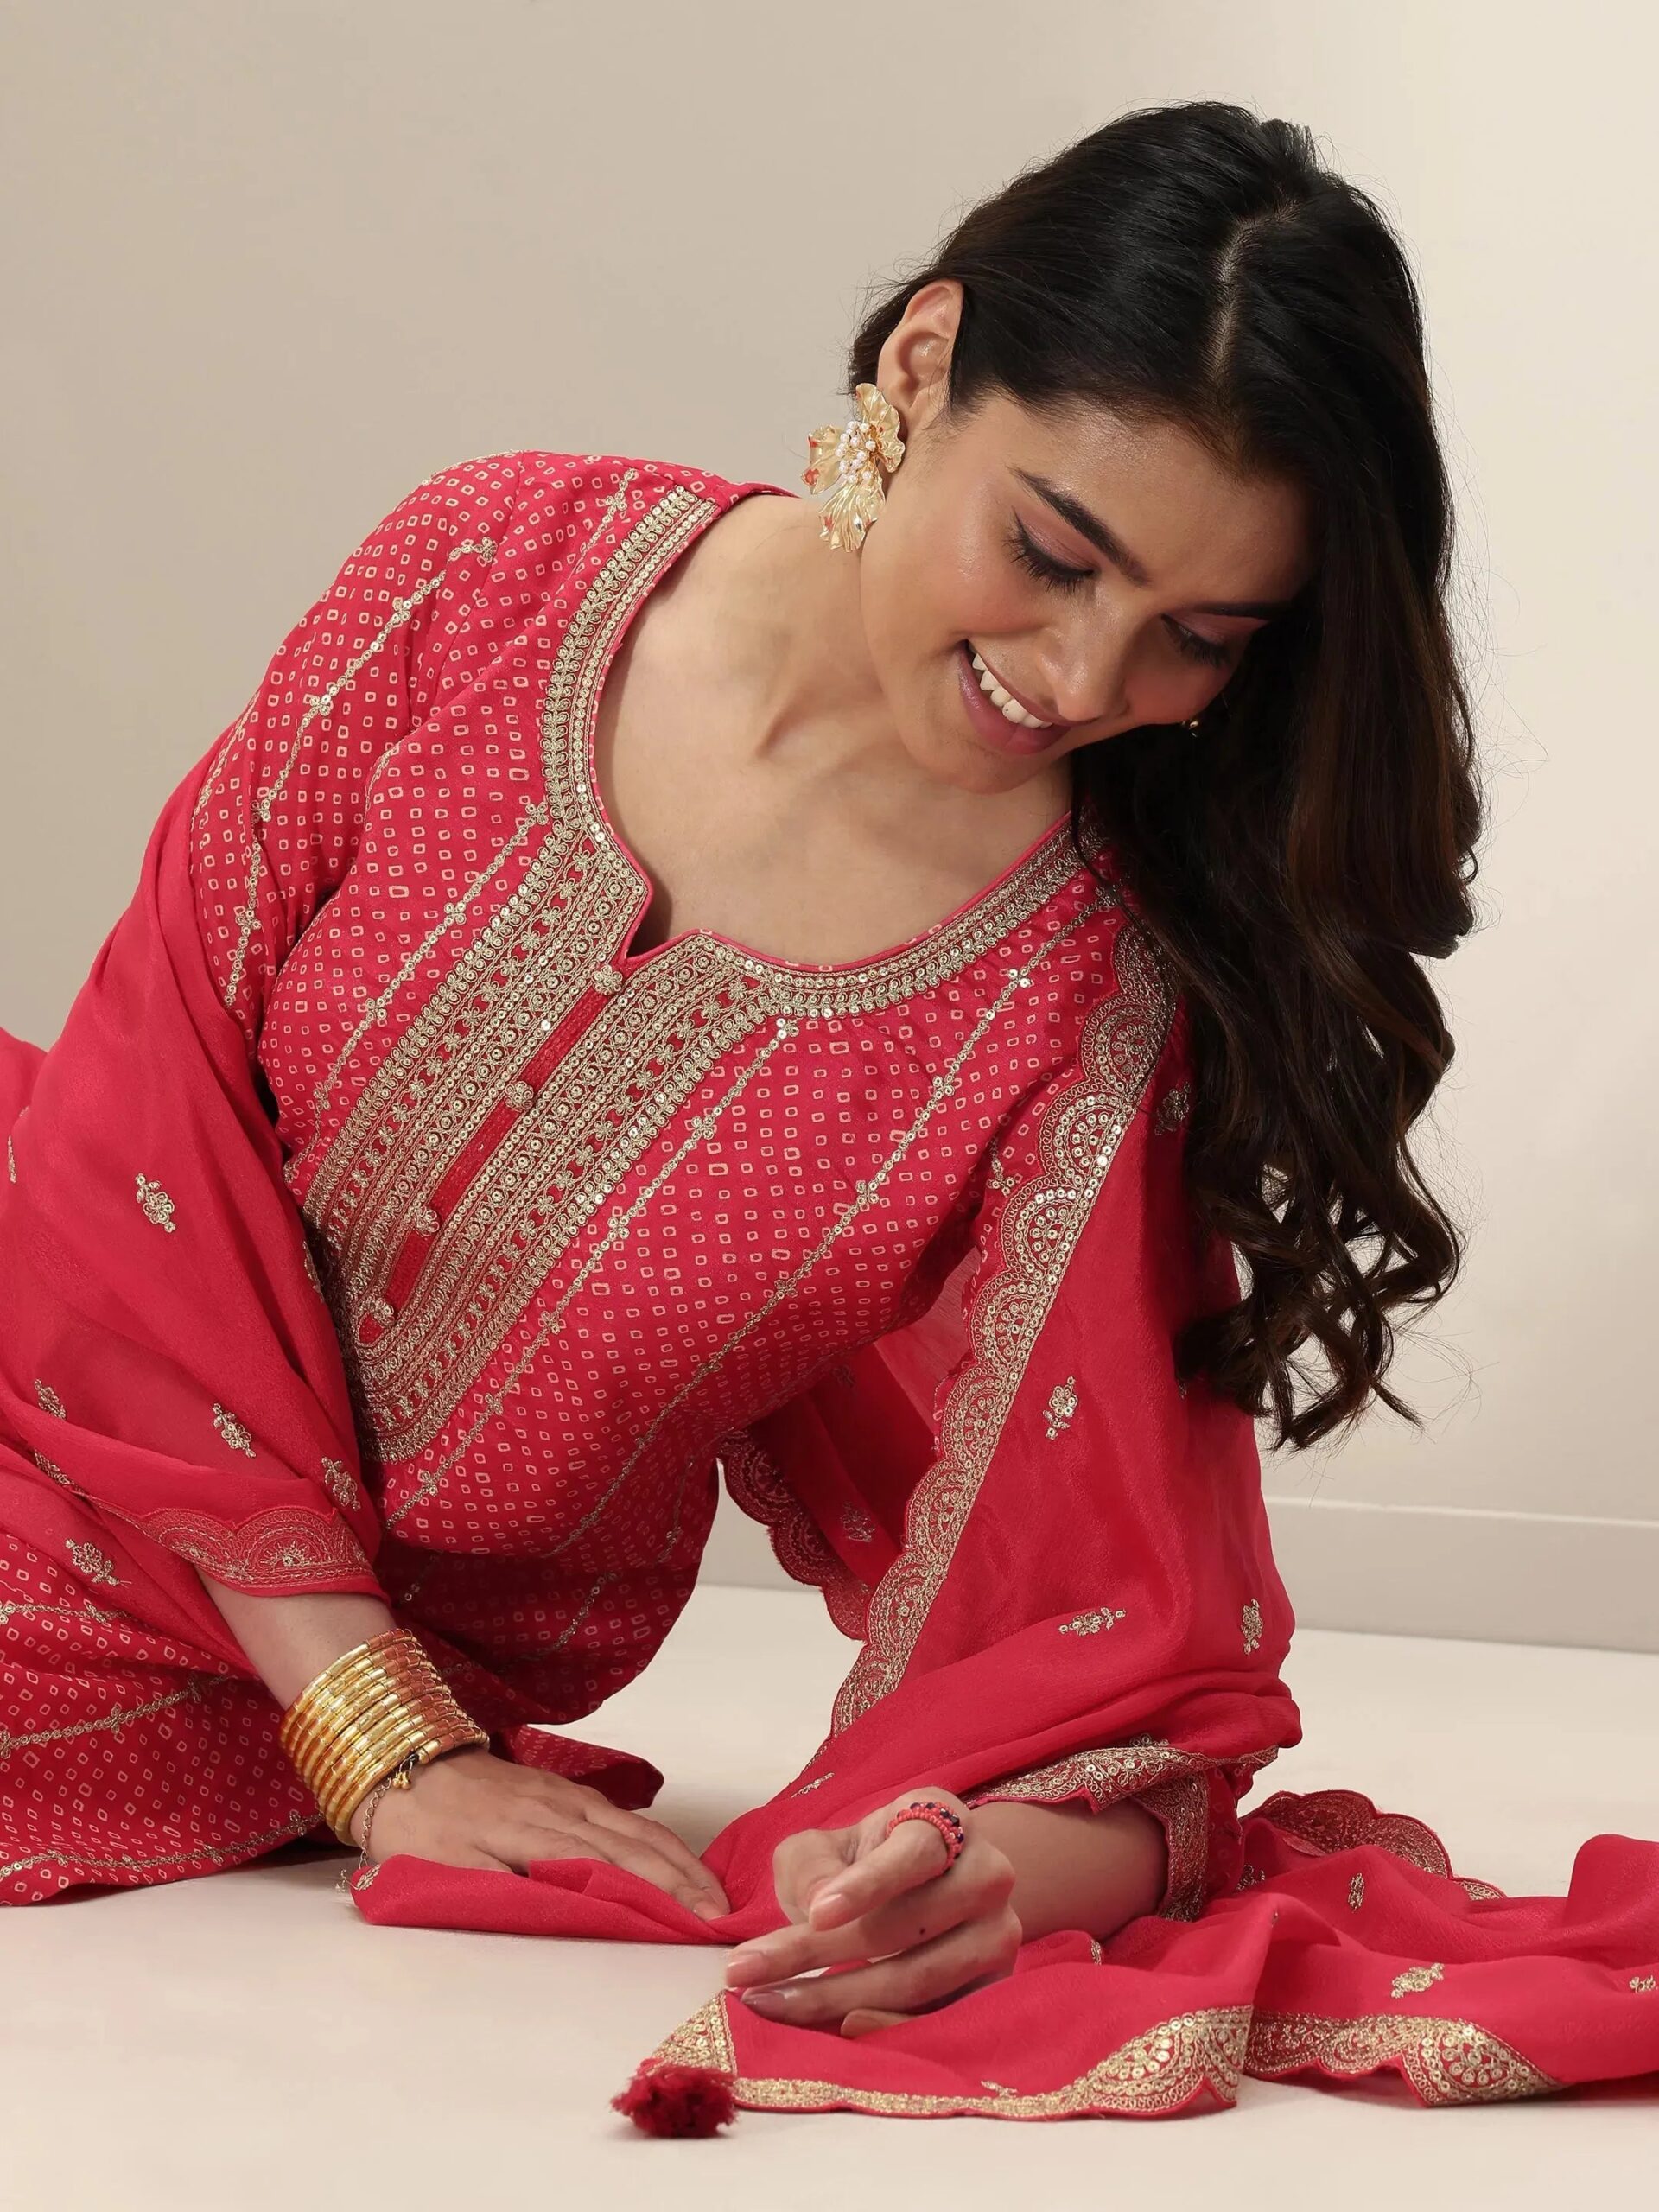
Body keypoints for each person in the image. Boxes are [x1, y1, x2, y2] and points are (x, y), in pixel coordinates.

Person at [2, 99, 1654, 2126]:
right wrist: (377, 1736)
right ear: (924, 363)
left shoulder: (1075, 1008)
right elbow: (141, 1100)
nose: (1080, 671)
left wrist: (971, 1881)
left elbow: (1122, 1664)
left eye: (1197, 639)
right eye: (1054, 553)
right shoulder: (491, 567)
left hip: (158, 1657)